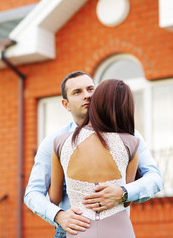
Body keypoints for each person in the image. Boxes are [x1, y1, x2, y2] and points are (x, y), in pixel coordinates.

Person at [24, 71, 163, 238]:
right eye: (77, 92)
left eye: (91, 89)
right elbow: (32, 193)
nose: (87, 96)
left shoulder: (130, 136)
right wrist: (58, 215)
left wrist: (123, 191)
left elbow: (155, 179)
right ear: (66, 105)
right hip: (69, 230)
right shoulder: (54, 141)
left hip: (116, 228)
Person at [49, 79, 139, 237]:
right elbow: (126, 199)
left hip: (79, 229)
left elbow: (54, 197)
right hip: (120, 229)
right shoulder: (131, 143)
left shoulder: (60, 142)